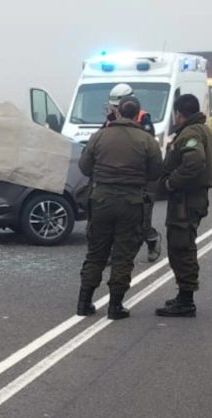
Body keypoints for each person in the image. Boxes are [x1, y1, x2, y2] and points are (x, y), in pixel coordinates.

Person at [77, 96, 163, 320]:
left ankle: (84, 302)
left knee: (96, 252)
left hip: (101, 200)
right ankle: (115, 306)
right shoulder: (147, 140)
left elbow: (84, 167)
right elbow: (155, 173)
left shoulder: (99, 136)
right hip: (131, 202)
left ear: (118, 113)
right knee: (123, 255)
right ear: (137, 115)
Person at [155, 94, 212, 317]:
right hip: (195, 197)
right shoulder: (206, 131)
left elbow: (195, 161)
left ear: (180, 114)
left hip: (186, 200)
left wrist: (172, 182)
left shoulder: (191, 133)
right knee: (184, 244)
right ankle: (184, 296)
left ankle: (186, 300)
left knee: (181, 247)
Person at [105, 83, 161, 262]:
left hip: (142, 180)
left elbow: (149, 148)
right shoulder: (108, 121)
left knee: (142, 222)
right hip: (118, 179)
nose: (115, 110)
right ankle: (114, 254)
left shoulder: (144, 120)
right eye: (113, 106)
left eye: (117, 106)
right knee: (114, 219)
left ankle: (152, 239)